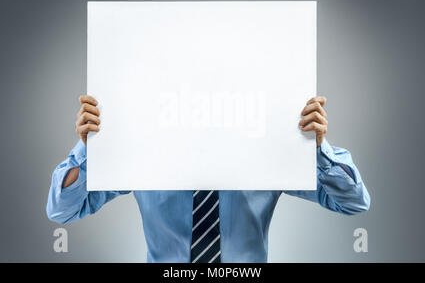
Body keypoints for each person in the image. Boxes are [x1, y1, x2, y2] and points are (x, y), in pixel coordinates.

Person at [47, 95, 370, 263]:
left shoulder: (268, 151)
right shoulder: (143, 150)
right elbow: (64, 210)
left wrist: (318, 147)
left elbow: (353, 202)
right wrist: (89, 147)